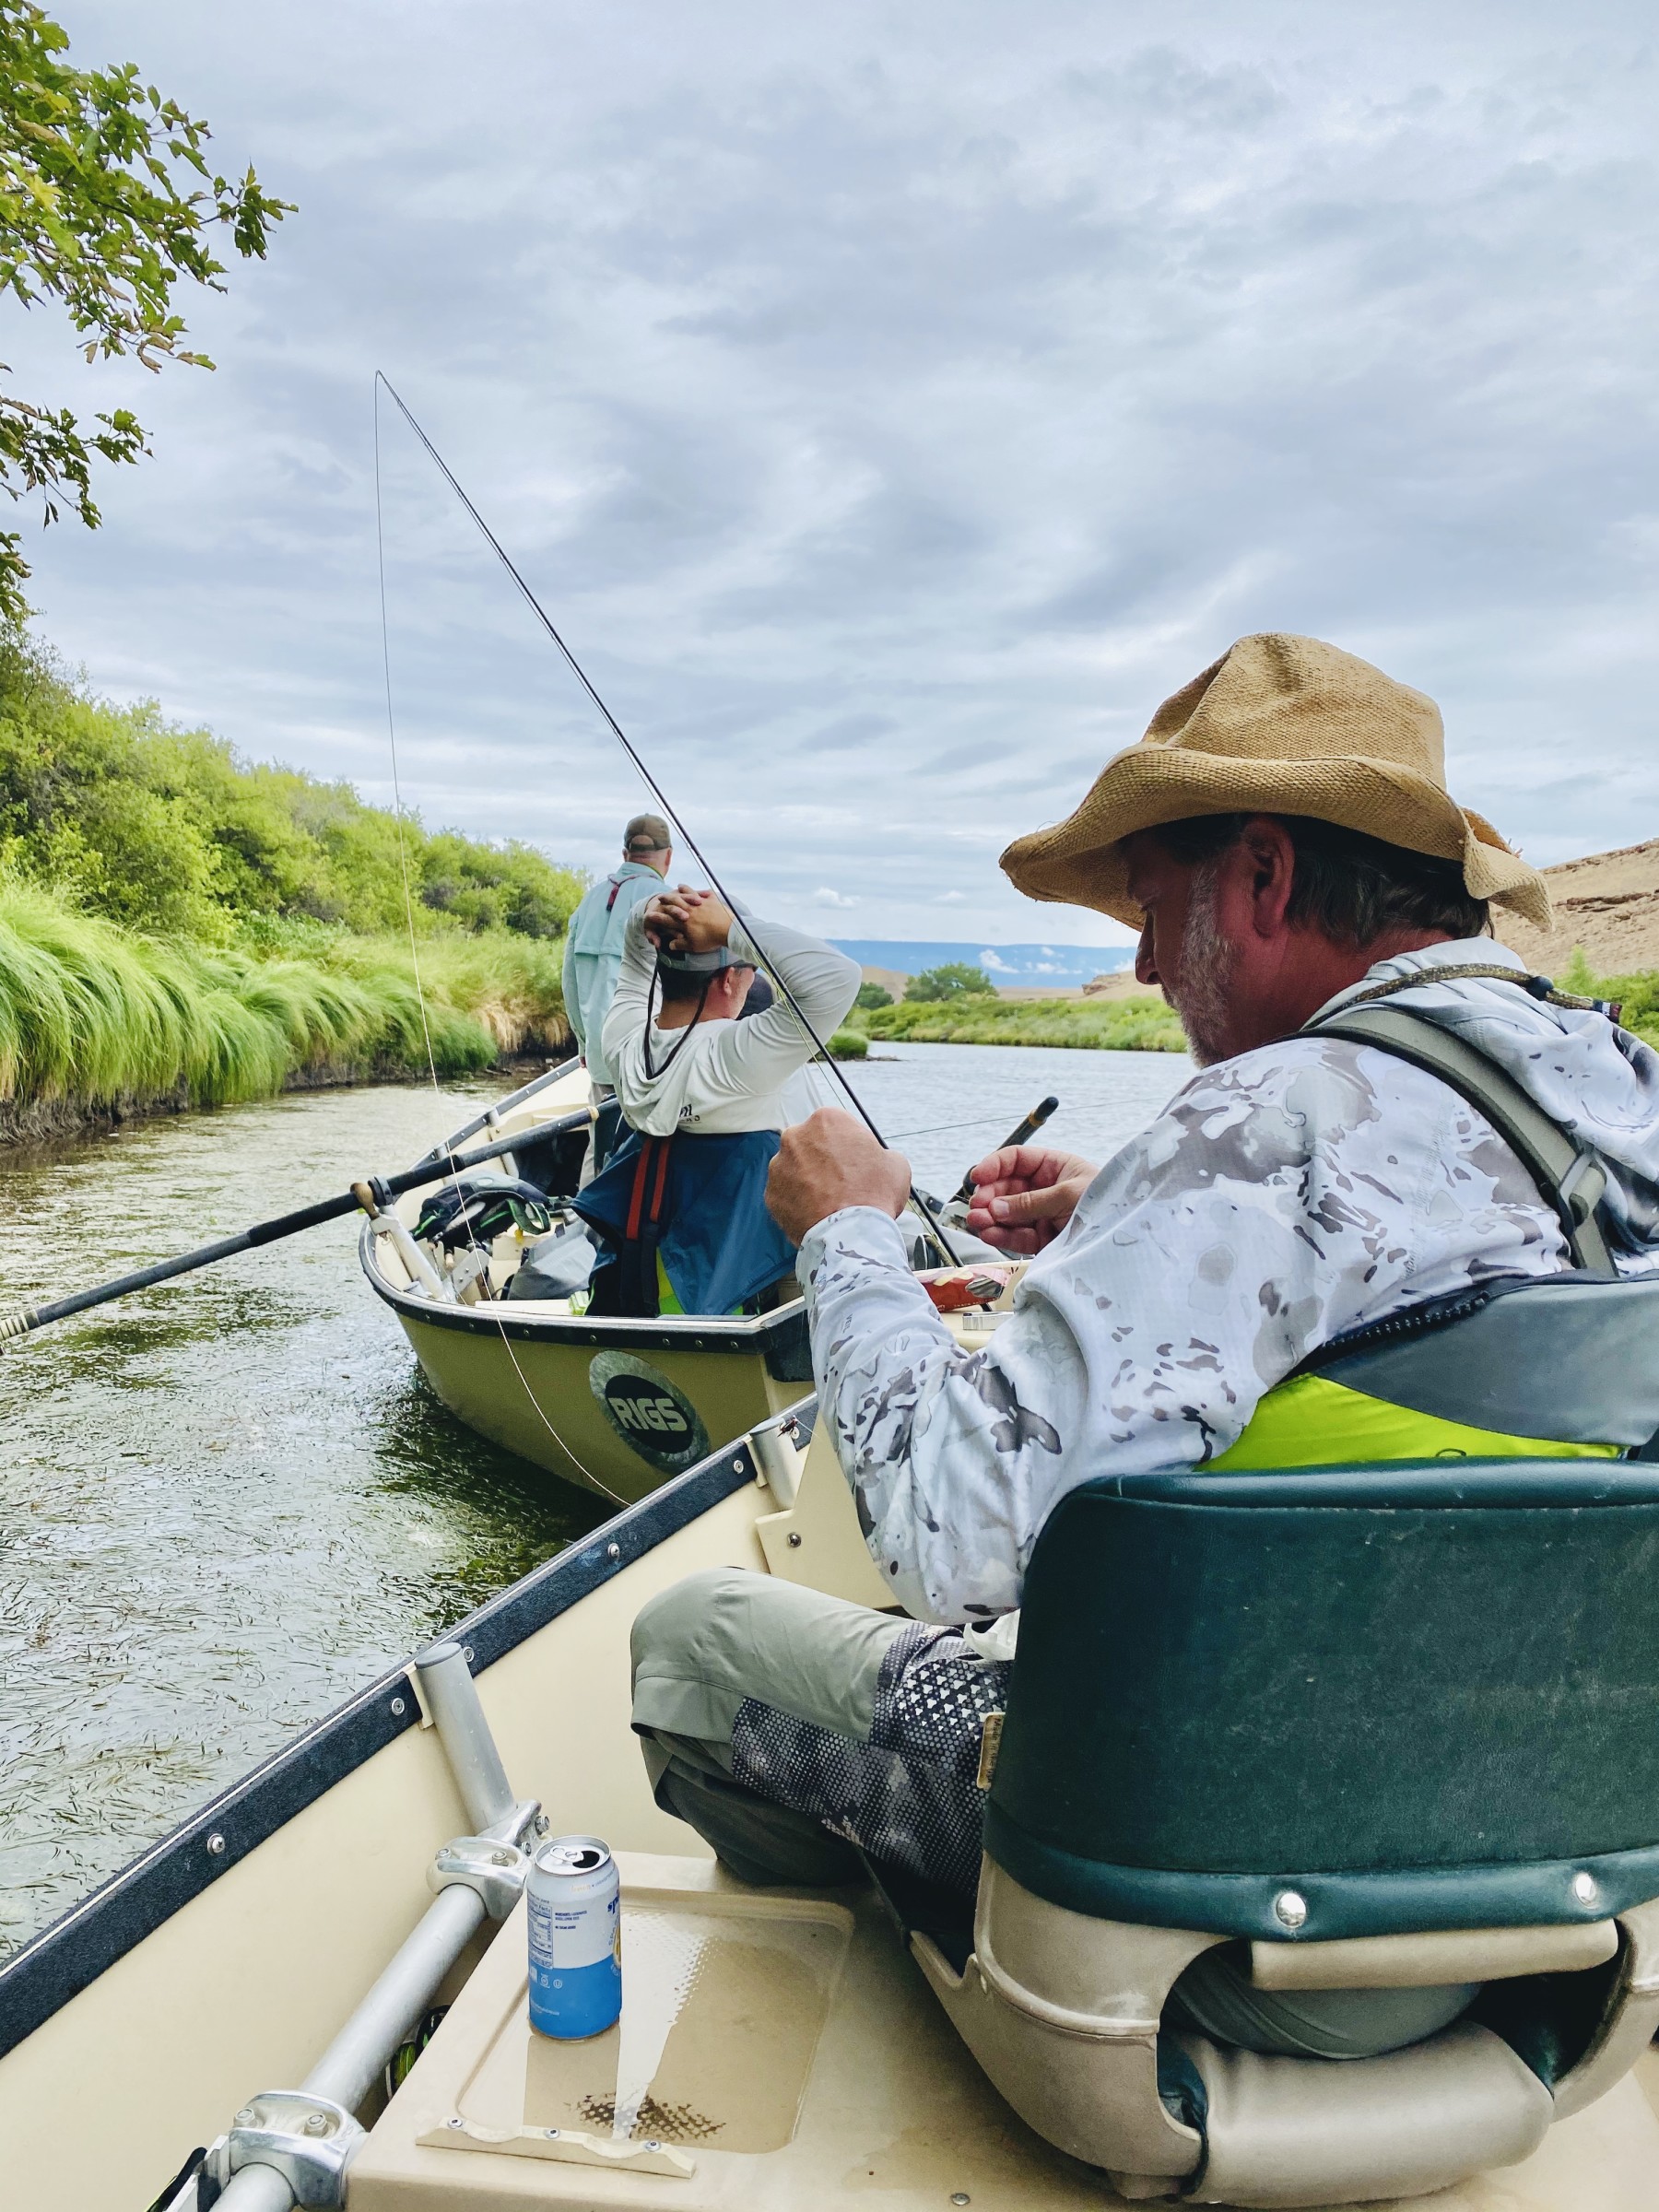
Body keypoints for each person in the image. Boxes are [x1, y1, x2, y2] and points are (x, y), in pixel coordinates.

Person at [627, 631, 1659, 2060]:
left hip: (1227, 1934)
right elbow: (1419, 1297)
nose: (1140, 959)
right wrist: (1121, 1215)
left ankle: (909, 1995)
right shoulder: (1616, 1089)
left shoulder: (1270, 1118)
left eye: (1151, 904)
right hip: (1554, 1894)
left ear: (1264, 877)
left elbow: (949, 1533)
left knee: (688, 1645)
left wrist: (848, 1235)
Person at [573, 884, 859, 1316]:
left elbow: (633, 960)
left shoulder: (623, 1044)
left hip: (655, 1271)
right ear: (729, 979)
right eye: (750, 971)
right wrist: (728, 929)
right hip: (746, 1281)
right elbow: (838, 976)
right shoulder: (734, 1059)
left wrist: (651, 912)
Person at [560, 813, 673, 1176]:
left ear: (625, 852)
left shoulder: (589, 902)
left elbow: (570, 983)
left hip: (599, 1050)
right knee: (646, 1145)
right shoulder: (667, 902)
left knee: (601, 1140)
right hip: (649, 1054)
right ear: (667, 857)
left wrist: (583, 1043)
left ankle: (587, 1223)